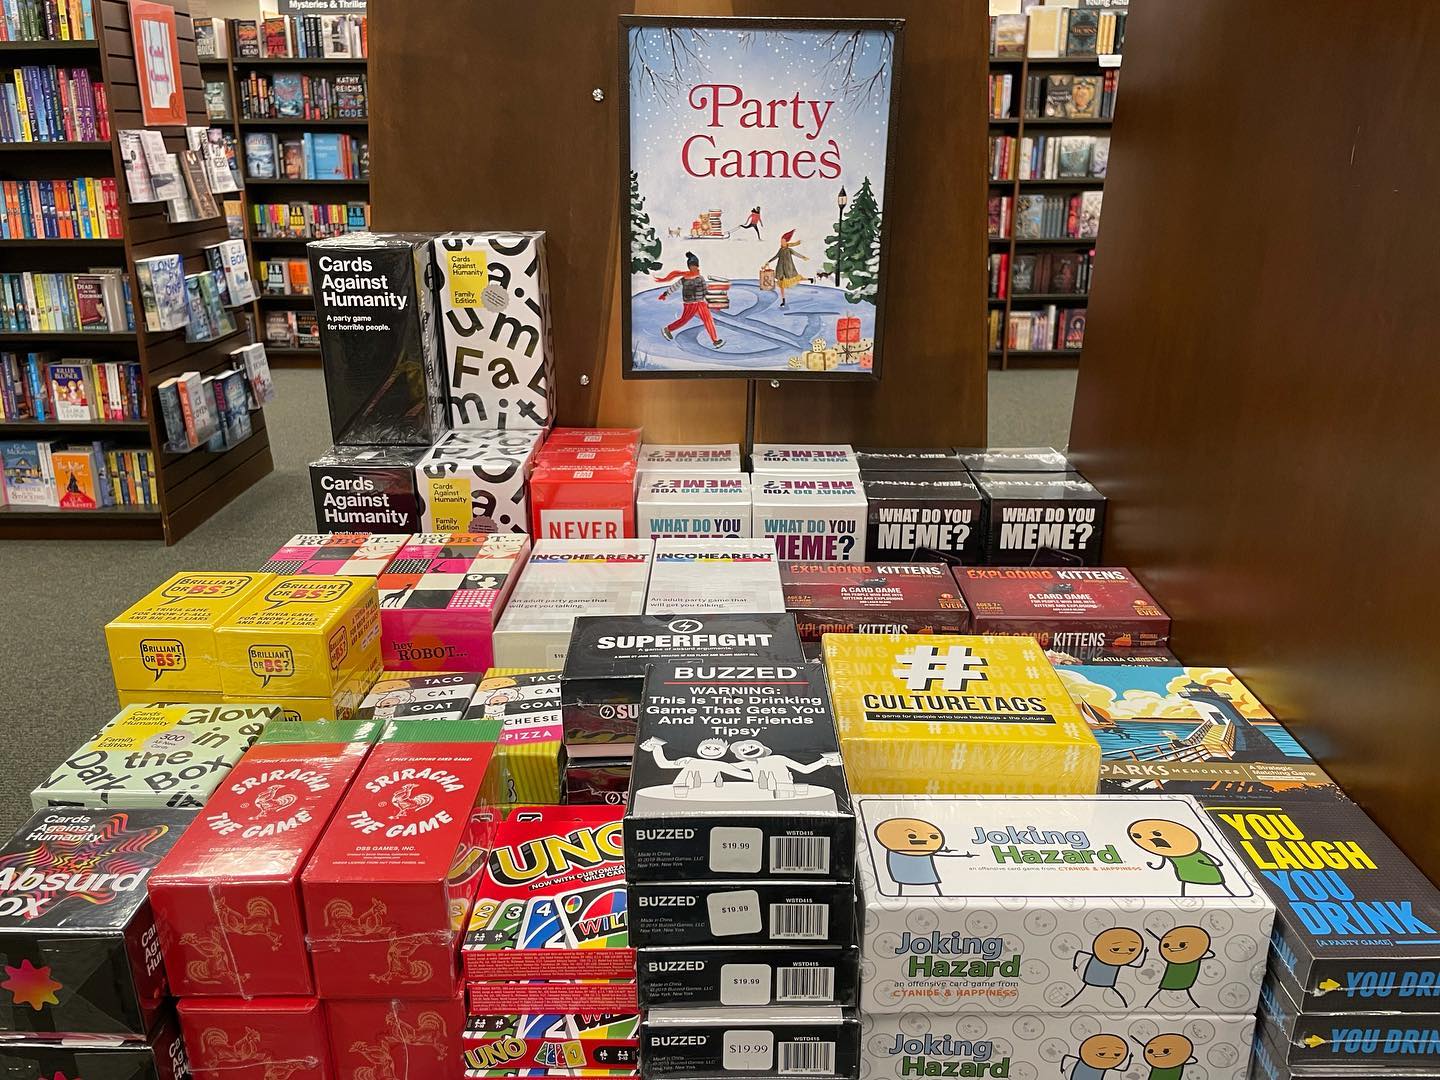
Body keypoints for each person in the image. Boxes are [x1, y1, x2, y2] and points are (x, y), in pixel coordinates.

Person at [654, 252, 724, 349]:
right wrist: (666, 294)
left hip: (700, 303)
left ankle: (715, 341)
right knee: (684, 320)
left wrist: (713, 303)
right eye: (692, 266)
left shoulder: (700, 278)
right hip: (690, 304)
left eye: (695, 266)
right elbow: (674, 287)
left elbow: (705, 291)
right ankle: (668, 329)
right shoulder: (684, 279)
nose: (694, 268)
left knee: (708, 320)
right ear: (689, 267)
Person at [764, 229, 809, 307]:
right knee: (782, 285)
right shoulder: (780, 250)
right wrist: (768, 262)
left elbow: (796, 254)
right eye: (781, 241)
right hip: (780, 269)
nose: (781, 242)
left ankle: (809, 279)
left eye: (783, 241)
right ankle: (783, 300)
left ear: (786, 242)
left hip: (788, 269)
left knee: (796, 279)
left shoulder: (789, 250)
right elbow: (776, 256)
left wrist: (803, 257)